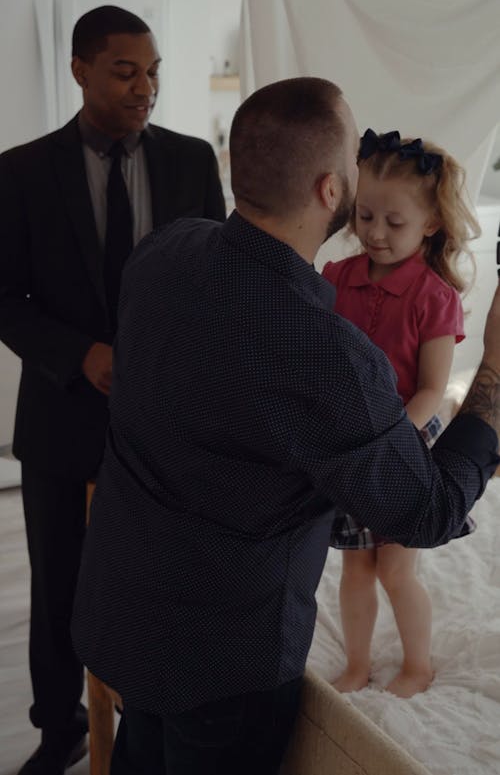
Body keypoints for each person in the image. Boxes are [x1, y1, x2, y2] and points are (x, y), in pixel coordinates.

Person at [70, 77, 500, 775]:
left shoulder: (166, 252)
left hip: (120, 608)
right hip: (220, 663)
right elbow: (427, 510)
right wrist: (493, 377)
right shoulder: (321, 353)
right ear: (333, 191)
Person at [0, 5, 226, 775]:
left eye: (154, 70)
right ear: (79, 70)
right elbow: (2, 297)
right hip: (61, 417)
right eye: (127, 70)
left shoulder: (195, 161)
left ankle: (145, 719)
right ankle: (57, 728)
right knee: (59, 583)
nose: (146, 86)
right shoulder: (20, 171)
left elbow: (216, 287)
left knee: (160, 578)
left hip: (167, 423)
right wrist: (80, 354)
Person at [322, 128, 481, 698]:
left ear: (431, 224)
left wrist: (386, 442)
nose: (375, 234)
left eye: (395, 223)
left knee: (395, 568)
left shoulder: (433, 297)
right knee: (355, 568)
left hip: (405, 443)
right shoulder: (336, 278)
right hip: (350, 443)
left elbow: (432, 392)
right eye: (365, 217)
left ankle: (418, 665)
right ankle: (358, 664)